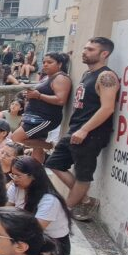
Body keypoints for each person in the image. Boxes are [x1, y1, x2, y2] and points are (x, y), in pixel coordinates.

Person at [45, 37, 119, 221]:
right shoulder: (87, 74)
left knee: (83, 174)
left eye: (91, 49)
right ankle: (86, 200)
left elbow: (107, 108)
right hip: (75, 129)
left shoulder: (106, 76)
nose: (85, 52)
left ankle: (66, 211)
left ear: (104, 54)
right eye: (85, 48)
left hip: (91, 134)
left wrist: (85, 130)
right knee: (54, 163)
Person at [8, 156, 72, 255]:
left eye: (18, 175)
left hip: (53, 244)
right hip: (25, 235)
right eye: (12, 175)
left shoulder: (49, 200)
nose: (14, 179)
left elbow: (35, 230)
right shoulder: (16, 187)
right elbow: (6, 212)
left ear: (33, 176)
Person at [11, 52, 72, 163]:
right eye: (44, 62)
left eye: (49, 62)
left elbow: (61, 100)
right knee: (37, 146)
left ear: (59, 64)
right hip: (34, 117)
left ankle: (50, 146)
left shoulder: (61, 78)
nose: (45, 65)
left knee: (16, 138)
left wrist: (38, 95)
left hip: (44, 119)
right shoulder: (47, 78)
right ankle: (37, 172)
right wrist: (30, 95)